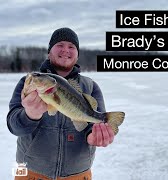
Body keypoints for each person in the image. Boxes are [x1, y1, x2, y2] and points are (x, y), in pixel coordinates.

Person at [7, 27, 114, 180]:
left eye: (71, 47)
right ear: (49, 51)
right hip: (28, 172)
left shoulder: (90, 86)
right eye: (60, 45)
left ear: (77, 55)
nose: (66, 50)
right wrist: (30, 115)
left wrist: (94, 136)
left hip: (79, 175)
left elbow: (91, 125)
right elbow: (14, 126)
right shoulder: (27, 83)